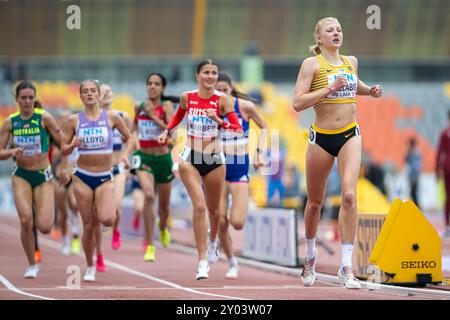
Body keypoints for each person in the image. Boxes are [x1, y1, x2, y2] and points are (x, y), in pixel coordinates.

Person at [292, 17, 382, 289]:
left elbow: (354, 85)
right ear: (319, 38)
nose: (336, 33)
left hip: (349, 135)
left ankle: (346, 267)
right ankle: (310, 256)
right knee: (315, 203)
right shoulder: (312, 64)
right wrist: (329, 88)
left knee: (350, 195)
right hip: (321, 138)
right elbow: (297, 103)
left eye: (340, 29)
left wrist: (371, 91)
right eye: (330, 30)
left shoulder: (350, 62)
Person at [157, 59, 243, 280]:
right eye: (206, 72)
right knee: (199, 207)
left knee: (216, 212)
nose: (211, 76)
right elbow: (178, 115)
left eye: (214, 73)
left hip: (215, 158)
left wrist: (220, 121)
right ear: (197, 75)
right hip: (191, 158)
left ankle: (213, 242)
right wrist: (167, 131)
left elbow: (237, 129)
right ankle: (202, 260)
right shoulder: (188, 97)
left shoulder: (223, 101)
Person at [61, 79, 134, 282]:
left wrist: (126, 155)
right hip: (83, 176)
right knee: (88, 224)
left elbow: (130, 138)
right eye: (86, 91)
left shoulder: (111, 117)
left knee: (107, 219)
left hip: (104, 176)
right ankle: (90, 265)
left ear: (99, 95)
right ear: (81, 96)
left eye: (93, 91)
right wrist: (72, 144)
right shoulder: (73, 120)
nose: (90, 94)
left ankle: (98, 252)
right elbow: (63, 149)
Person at [0, 81, 64, 278]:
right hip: (21, 175)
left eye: (30, 98)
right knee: (26, 219)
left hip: (43, 175)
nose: (27, 101)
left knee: (44, 227)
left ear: (35, 98)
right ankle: (32, 264)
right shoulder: (9, 122)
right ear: (17, 99)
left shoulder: (44, 118)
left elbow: (64, 145)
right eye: (23, 98)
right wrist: (12, 151)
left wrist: (66, 167)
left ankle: (42, 211)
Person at [215, 72, 267, 279]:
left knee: (237, 222)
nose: (221, 94)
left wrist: (259, 151)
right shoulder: (209, 109)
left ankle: (221, 237)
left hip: (238, 168)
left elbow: (264, 127)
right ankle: (232, 261)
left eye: (225, 90)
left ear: (231, 90)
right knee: (220, 220)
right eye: (217, 91)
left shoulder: (244, 107)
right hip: (216, 168)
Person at [131, 73, 177, 262]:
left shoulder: (166, 106)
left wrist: (152, 115)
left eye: (156, 84)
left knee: (164, 208)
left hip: (163, 159)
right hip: (144, 158)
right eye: (149, 83)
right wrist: (130, 148)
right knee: (149, 196)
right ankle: (149, 245)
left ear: (163, 88)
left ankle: (163, 227)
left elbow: (171, 133)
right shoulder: (138, 106)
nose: (152, 87)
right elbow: (132, 130)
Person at [436, 112, 450, 238]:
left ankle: (447, 226)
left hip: (447, 168)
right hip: (447, 169)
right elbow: (440, 152)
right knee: (448, 197)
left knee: (448, 198)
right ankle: (447, 226)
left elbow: (440, 153)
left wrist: (437, 170)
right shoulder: (445, 134)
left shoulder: (445, 133)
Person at [405, 137, 422, 208]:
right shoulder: (410, 153)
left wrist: (415, 178)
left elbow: (417, 166)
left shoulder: (416, 154)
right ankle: (416, 207)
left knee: (413, 193)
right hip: (411, 176)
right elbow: (405, 160)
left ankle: (417, 208)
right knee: (412, 193)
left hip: (414, 176)